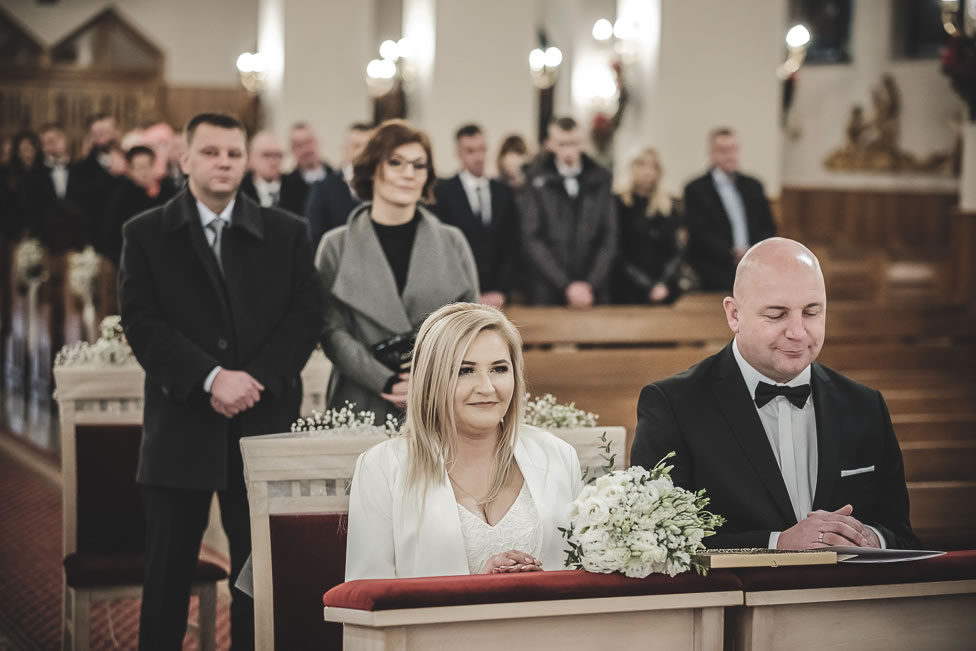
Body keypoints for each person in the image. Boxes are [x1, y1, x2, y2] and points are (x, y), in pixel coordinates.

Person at [119, 112, 324, 650]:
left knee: (257, 579)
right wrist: (210, 378)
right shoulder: (145, 233)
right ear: (185, 159)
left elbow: (305, 316)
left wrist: (254, 379)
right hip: (180, 424)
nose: (224, 163)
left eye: (234, 153)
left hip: (261, 421)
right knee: (166, 578)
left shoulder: (287, 232)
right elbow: (141, 321)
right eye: (211, 152)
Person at [631, 238, 919, 550]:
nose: (797, 332)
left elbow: (901, 536)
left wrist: (873, 539)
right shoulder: (672, 405)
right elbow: (657, 542)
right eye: (776, 314)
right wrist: (776, 544)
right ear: (734, 315)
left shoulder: (865, 406)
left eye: (811, 312)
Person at [346, 302, 583, 579]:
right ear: (431, 379)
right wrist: (475, 589)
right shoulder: (382, 467)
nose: (486, 387)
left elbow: (583, 576)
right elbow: (367, 591)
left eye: (499, 369)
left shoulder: (558, 455)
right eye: (464, 370)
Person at [315, 119, 479, 425]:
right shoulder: (335, 245)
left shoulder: (452, 241)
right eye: (396, 163)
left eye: (419, 165)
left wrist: (426, 379)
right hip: (361, 396)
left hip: (435, 397)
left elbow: (470, 324)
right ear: (372, 168)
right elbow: (330, 330)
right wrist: (385, 380)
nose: (409, 173)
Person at [520, 116, 617, 307]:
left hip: (593, 290)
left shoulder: (601, 178)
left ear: (583, 143)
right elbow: (532, 237)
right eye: (562, 144)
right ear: (550, 144)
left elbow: (609, 236)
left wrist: (589, 285)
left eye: (573, 143)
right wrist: (566, 285)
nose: (568, 151)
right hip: (548, 290)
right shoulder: (536, 179)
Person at [433, 124, 519, 308]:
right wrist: (469, 293)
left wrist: (500, 290)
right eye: (470, 151)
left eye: (482, 149)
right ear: (458, 153)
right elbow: (444, 249)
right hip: (458, 296)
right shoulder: (443, 192)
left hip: (498, 297)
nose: (478, 157)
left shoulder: (503, 192)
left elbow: (511, 246)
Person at [683, 127, 776, 291]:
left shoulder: (754, 186)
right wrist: (732, 254)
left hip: (753, 265)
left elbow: (767, 227)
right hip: (714, 268)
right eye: (723, 151)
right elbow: (699, 232)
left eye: (733, 149)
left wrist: (751, 252)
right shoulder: (696, 189)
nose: (730, 156)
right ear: (712, 153)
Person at [613, 148, 685, 305]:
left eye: (654, 167)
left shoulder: (669, 206)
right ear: (631, 168)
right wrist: (647, 286)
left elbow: (676, 251)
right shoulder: (618, 204)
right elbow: (617, 252)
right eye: (642, 165)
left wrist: (662, 284)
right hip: (627, 290)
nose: (648, 172)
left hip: (665, 290)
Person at [100, 146, 176, 267]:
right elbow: (112, 236)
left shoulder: (170, 192)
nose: (144, 173)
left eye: (148, 166)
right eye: (139, 168)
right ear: (129, 170)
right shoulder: (121, 198)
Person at [305, 122, 372, 247]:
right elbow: (315, 236)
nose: (363, 152)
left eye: (368, 147)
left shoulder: (381, 187)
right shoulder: (323, 188)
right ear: (344, 148)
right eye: (357, 146)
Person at [279, 122, 333, 216]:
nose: (306, 149)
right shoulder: (285, 186)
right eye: (299, 145)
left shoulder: (336, 179)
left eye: (308, 142)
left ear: (318, 142)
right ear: (291, 149)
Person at [240, 130, 285, 208]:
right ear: (251, 158)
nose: (273, 160)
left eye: (278, 155)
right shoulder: (240, 190)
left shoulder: (296, 188)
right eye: (266, 155)